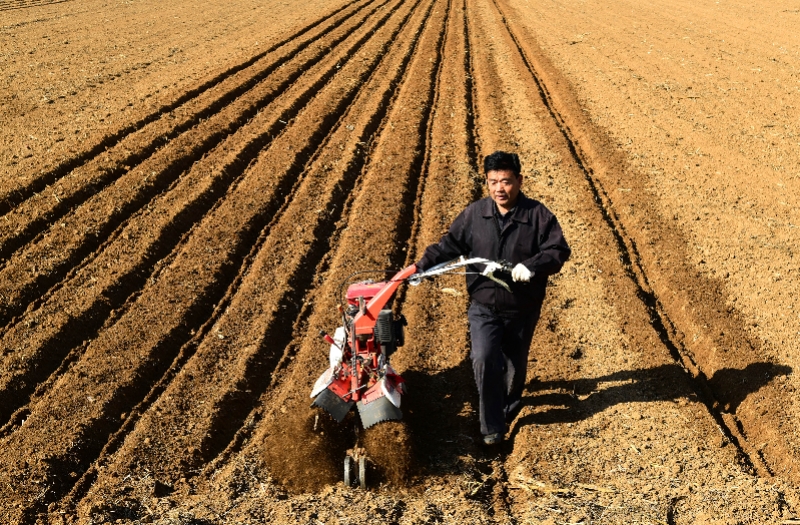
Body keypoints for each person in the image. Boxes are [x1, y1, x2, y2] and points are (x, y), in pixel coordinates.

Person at [415, 151, 571, 445]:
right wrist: (421, 266)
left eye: (507, 181)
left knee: (513, 369)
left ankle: (508, 408)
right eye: (493, 181)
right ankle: (492, 429)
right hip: (484, 306)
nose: (500, 188)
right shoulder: (475, 215)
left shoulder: (538, 216)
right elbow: (450, 244)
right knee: (485, 358)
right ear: (486, 183)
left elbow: (558, 251)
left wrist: (532, 266)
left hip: (522, 307)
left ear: (519, 181)